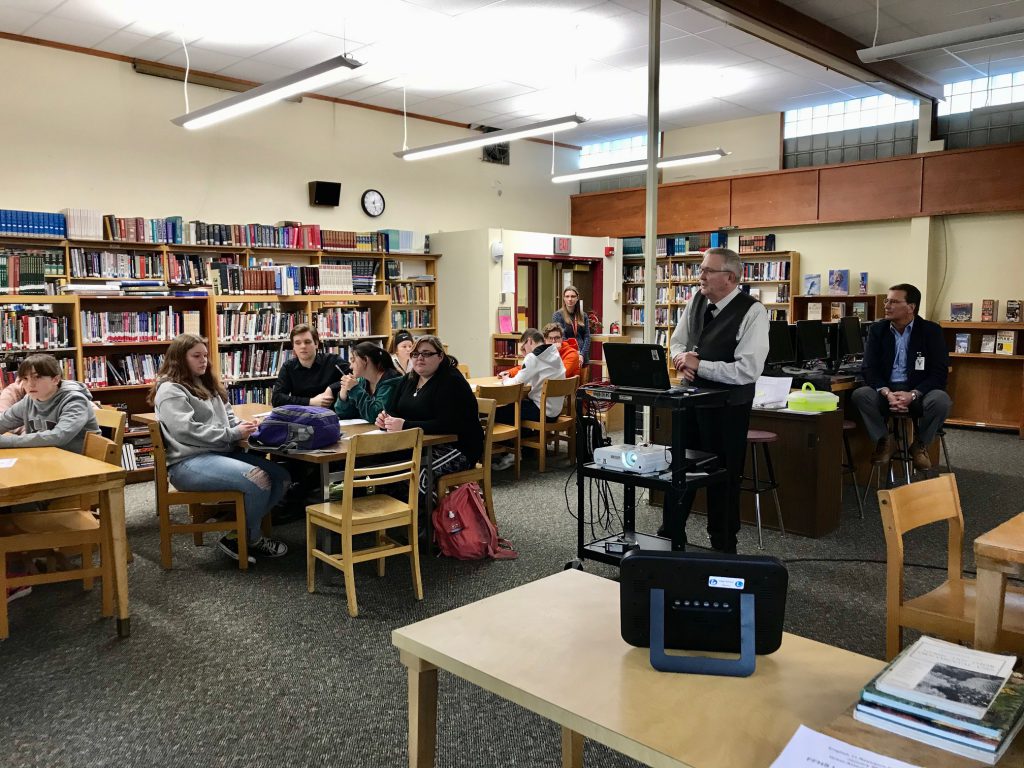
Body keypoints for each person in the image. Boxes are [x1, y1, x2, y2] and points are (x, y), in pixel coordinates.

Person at [151, 334, 290, 564]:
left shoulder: (208, 384)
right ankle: (250, 538)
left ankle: (237, 535)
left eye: (205, 355)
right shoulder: (170, 390)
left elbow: (229, 417)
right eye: (196, 356)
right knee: (259, 479)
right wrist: (232, 434)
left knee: (281, 477)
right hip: (188, 463)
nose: (203, 360)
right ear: (179, 359)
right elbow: (186, 431)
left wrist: (244, 428)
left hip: (220, 454)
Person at [667, 247, 769, 554]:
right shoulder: (696, 300)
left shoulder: (753, 312)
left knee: (722, 480)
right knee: (678, 470)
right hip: (690, 400)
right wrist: (678, 357)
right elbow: (678, 341)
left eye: (707, 270)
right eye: (701, 269)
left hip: (727, 409)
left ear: (730, 277)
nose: (701, 275)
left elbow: (748, 370)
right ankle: (671, 536)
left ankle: (723, 546)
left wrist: (700, 365)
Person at [852, 283, 951, 471]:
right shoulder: (877, 330)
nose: (887, 306)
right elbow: (869, 368)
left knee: (941, 401)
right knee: (861, 395)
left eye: (894, 302)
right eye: (886, 301)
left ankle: (920, 444)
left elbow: (939, 373)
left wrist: (913, 394)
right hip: (887, 392)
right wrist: (886, 392)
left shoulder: (931, 331)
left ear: (911, 307)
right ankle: (884, 440)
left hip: (918, 393)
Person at [376, 335, 482, 497]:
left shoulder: (451, 381)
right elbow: (392, 408)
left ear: (440, 356)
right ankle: (395, 518)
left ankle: (426, 519)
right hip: (421, 444)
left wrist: (405, 426)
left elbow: (448, 424)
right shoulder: (409, 379)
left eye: (426, 354)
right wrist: (386, 420)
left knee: (417, 474)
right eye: (415, 354)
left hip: (457, 447)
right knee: (385, 466)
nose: (419, 358)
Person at [0, 354, 98, 454]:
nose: (30, 384)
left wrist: (6, 441)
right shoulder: (29, 400)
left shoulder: (75, 400)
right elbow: (4, 420)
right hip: (48, 458)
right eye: (25, 378)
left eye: (37, 377)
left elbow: (59, 436)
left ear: (55, 379)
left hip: (82, 463)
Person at [271, 324, 350, 408]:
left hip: (333, 416)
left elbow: (356, 377)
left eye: (307, 342)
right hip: (303, 417)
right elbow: (277, 399)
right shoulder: (288, 367)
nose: (303, 346)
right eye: (298, 343)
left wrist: (331, 388)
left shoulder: (333, 360)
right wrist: (310, 402)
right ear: (293, 346)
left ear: (316, 343)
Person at [335, 341, 403, 424]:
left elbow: (375, 416)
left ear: (365, 360)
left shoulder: (391, 381)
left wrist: (355, 389)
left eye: (353, 361)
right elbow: (344, 414)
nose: (350, 366)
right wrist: (343, 393)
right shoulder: (362, 381)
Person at [551, 285, 590, 365]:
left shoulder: (584, 315)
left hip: (583, 357)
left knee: (585, 378)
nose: (570, 299)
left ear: (577, 298)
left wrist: (582, 354)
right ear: (564, 298)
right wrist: (575, 353)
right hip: (567, 355)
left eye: (573, 296)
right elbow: (562, 337)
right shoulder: (558, 315)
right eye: (567, 296)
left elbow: (587, 336)